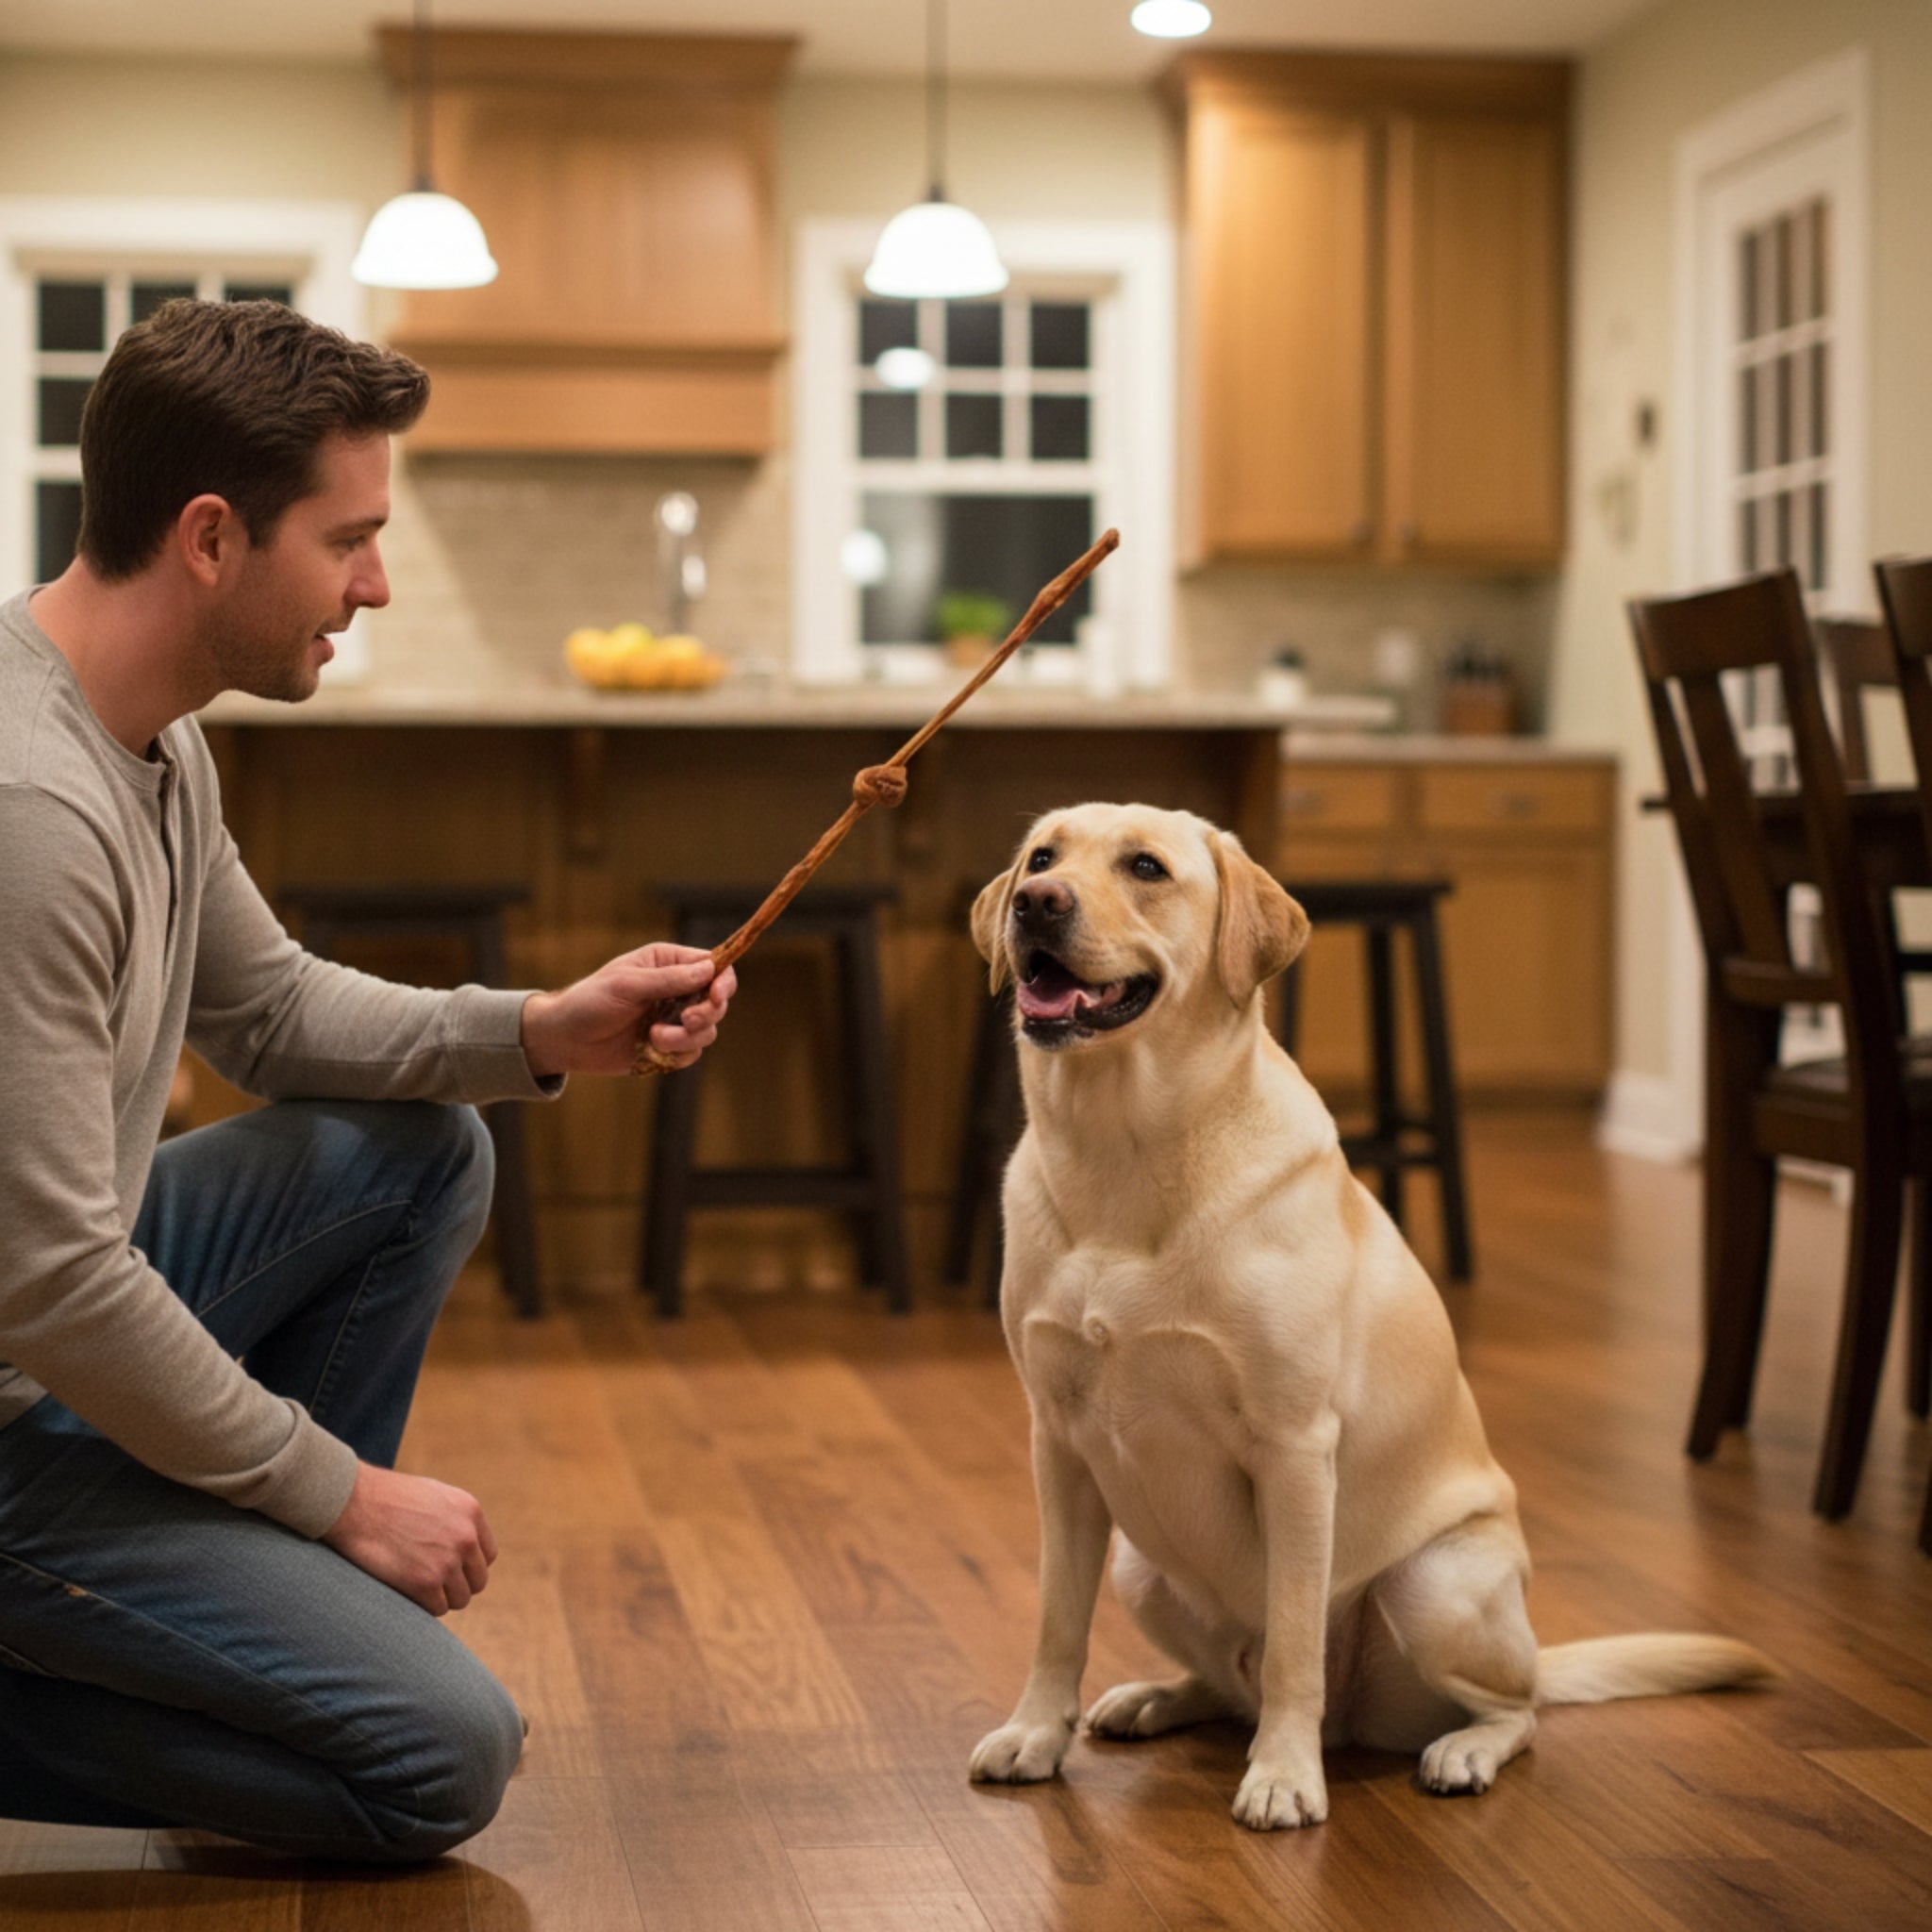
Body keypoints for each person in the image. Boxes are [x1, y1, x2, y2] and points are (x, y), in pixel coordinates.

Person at [0, 298, 736, 1862]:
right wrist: (337, 1492)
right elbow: (53, 1281)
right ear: (210, 537)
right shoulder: (30, 813)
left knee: (424, 1150)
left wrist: (543, 1028)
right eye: (349, 539)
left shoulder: (150, 744)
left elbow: (269, 1012)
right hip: (18, 1373)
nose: (377, 584)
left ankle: (227, 1604)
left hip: (43, 1337)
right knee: (433, 1763)